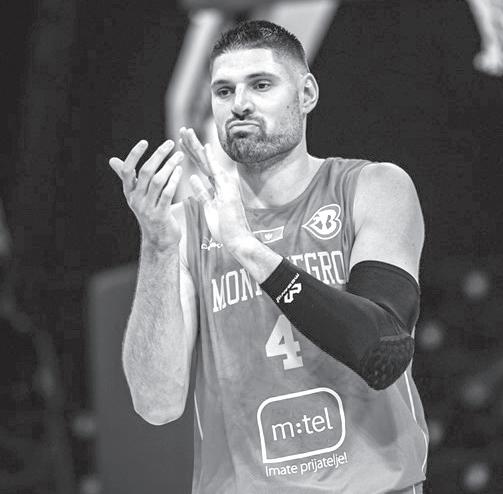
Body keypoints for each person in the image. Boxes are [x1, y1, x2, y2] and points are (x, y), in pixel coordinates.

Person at [109, 20, 428, 494]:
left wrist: (248, 249)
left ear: (306, 94)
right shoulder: (184, 229)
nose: (239, 103)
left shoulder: (373, 188)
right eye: (224, 91)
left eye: (261, 84)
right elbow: (156, 404)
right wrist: (156, 245)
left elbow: (384, 348)